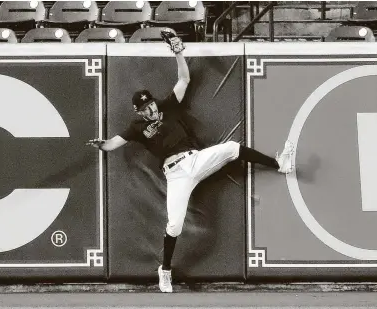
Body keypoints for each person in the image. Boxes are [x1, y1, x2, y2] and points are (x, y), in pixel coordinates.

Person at [87, 31, 295, 293]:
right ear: (138, 111)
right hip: (176, 175)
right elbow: (113, 144)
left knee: (232, 147)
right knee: (174, 224)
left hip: (195, 159)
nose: (151, 109)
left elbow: (184, 78)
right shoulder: (137, 127)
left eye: (151, 104)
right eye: (146, 108)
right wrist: (102, 145)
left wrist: (178, 52)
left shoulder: (167, 106)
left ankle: (281, 164)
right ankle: (165, 271)